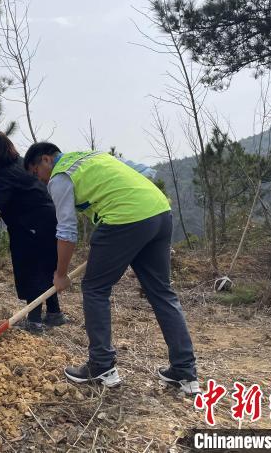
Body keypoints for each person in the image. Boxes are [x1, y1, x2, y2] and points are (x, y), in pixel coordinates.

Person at [24, 142, 199, 394]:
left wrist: (60, 274)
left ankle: (101, 366)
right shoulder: (91, 156)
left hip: (124, 218)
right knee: (161, 291)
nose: (39, 179)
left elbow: (66, 232)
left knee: (95, 288)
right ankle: (185, 370)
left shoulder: (60, 177)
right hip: (160, 211)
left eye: (35, 172)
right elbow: (146, 172)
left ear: (45, 160)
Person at [0, 130, 68, 334]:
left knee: (32, 270)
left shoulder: (6, 173)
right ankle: (54, 314)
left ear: (0, 148)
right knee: (45, 267)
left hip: (32, 225)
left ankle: (35, 321)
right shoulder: (21, 163)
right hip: (47, 221)